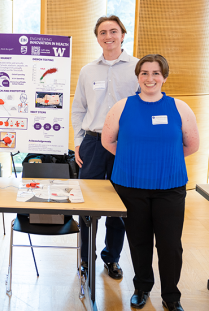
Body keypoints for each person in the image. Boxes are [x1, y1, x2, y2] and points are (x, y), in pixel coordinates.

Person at [102, 54, 198, 311]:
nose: (150, 78)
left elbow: (191, 145)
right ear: (138, 76)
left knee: (170, 245)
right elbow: (107, 141)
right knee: (139, 241)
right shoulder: (123, 106)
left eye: (156, 73)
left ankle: (171, 296)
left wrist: (162, 161)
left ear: (164, 77)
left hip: (170, 187)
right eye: (144, 72)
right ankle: (142, 287)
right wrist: (133, 160)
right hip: (131, 186)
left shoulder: (180, 107)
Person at [71, 15, 139, 279]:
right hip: (93, 142)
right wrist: (78, 142)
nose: (108, 36)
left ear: (123, 34)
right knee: (87, 204)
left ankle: (112, 259)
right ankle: (86, 258)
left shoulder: (138, 67)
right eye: (102, 32)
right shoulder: (88, 70)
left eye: (113, 31)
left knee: (118, 206)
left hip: (126, 145)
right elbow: (79, 110)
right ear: (97, 37)